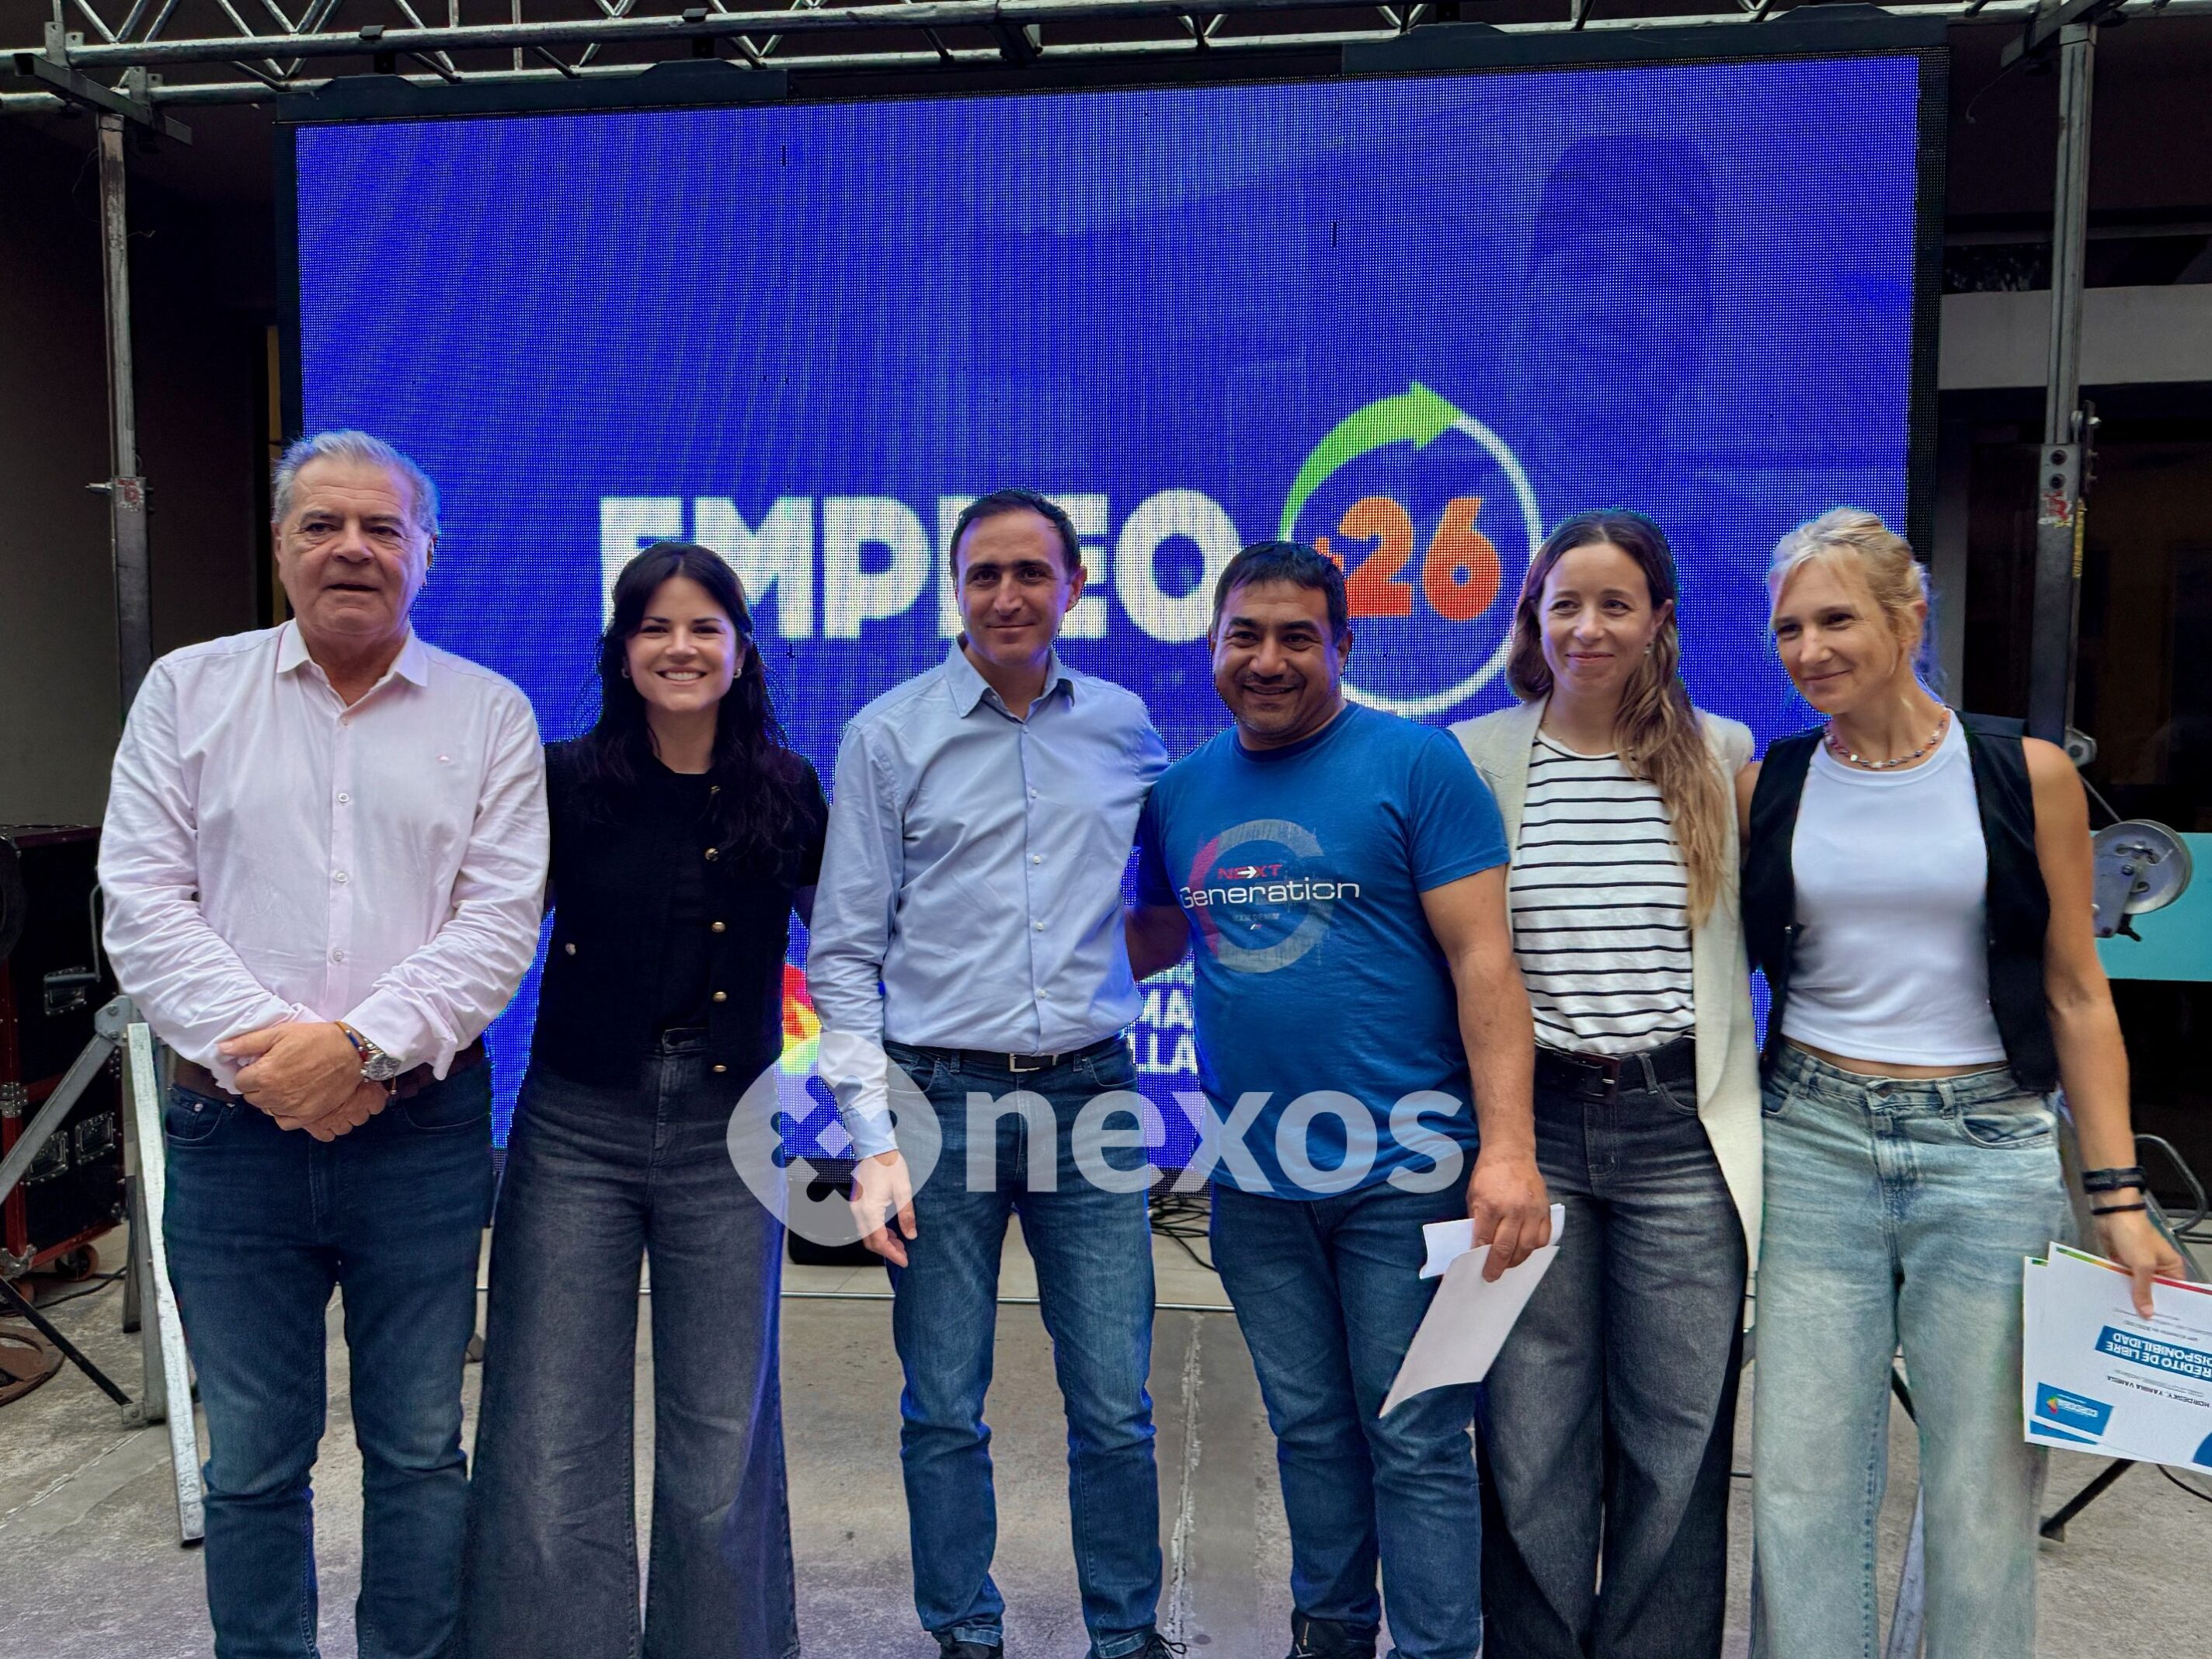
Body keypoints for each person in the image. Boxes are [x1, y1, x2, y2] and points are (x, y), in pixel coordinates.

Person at [99, 430, 548, 1659]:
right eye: (323, 525)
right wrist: (280, 1066)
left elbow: (498, 923)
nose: (353, 549)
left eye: (382, 528)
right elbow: (142, 902)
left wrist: (358, 1050)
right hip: (229, 1134)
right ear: (281, 545)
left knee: (418, 1449)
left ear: (427, 553)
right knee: (251, 1459)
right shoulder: (188, 692)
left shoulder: (489, 714)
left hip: (420, 1136)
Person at [1741, 508, 2185, 1659]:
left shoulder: (2024, 774)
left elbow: (2078, 993)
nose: (1808, 650)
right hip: (1813, 1139)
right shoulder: (1768, 783)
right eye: (1789, 628)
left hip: (1986, 1150)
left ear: (1909, 617)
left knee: (1985, 1493)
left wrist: (2120, 1196)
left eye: (1836, 619)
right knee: (1800, 1485)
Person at [1125, 541, 1548, 1659]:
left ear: (1344, 648)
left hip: (1408, 1172)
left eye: (1297, 638)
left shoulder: (1418, 765)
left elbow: (1485, 963)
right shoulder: (1180, 793)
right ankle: (1332, 1634)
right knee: (1310, 1431)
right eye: (1245, 636)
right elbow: (1151, 939)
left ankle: (1436, 1648)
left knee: (1414, 1433)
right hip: (1256, 1183)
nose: (1268, 660)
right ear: (1212, 644)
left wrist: (1507, 1150)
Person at [807, 488, 1175, 1659]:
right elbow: (844, 952)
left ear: (1075, 586)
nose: (1007, 596)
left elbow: (1172, 902)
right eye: (984, 574)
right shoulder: (889, 736)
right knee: (942, 1405)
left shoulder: (1124, 727)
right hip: (937, 1101)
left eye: (1031, 572)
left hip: (1092, 1095)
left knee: (1114, 1403)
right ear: (954, 588)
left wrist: (1089, 975)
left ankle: (1127, 1637)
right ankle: (965, 1631)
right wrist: (872, 1135)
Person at [464, 543, 826, 1657]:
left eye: (704, 627)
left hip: (733, 1133)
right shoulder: (562, 780)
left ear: (741, 650)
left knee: (722, 1439)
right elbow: (486, 934)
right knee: (547, 1431)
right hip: (576, 1124)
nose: (680, 648)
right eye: (655, 627)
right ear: (622, 651)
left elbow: (853, 952)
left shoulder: (788, 788)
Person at [1449, 510, 1758, 1659]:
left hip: (1683, 1131)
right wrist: (1498, 1141)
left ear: (1659, 619)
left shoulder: (1723, 754)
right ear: (1531, 617)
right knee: (1527, 1436)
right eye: (1564, 603)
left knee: (1677, 1440)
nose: (1588, 627)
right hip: (1534, 1127)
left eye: (1615, 604)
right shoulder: (1475, 755)